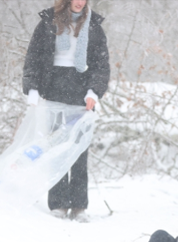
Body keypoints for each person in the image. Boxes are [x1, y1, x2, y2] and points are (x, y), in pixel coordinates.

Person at [23, 0, 110, 222]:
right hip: (53, 89)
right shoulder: (47, 23)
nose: (80, 2)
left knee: (79, 150)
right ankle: (59, 203)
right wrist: (32, 88)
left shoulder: (93, 26)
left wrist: (94, 91)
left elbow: (101, 64)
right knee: (56, 147)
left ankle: (79, 205)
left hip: (81, 91)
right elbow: (33, 56)